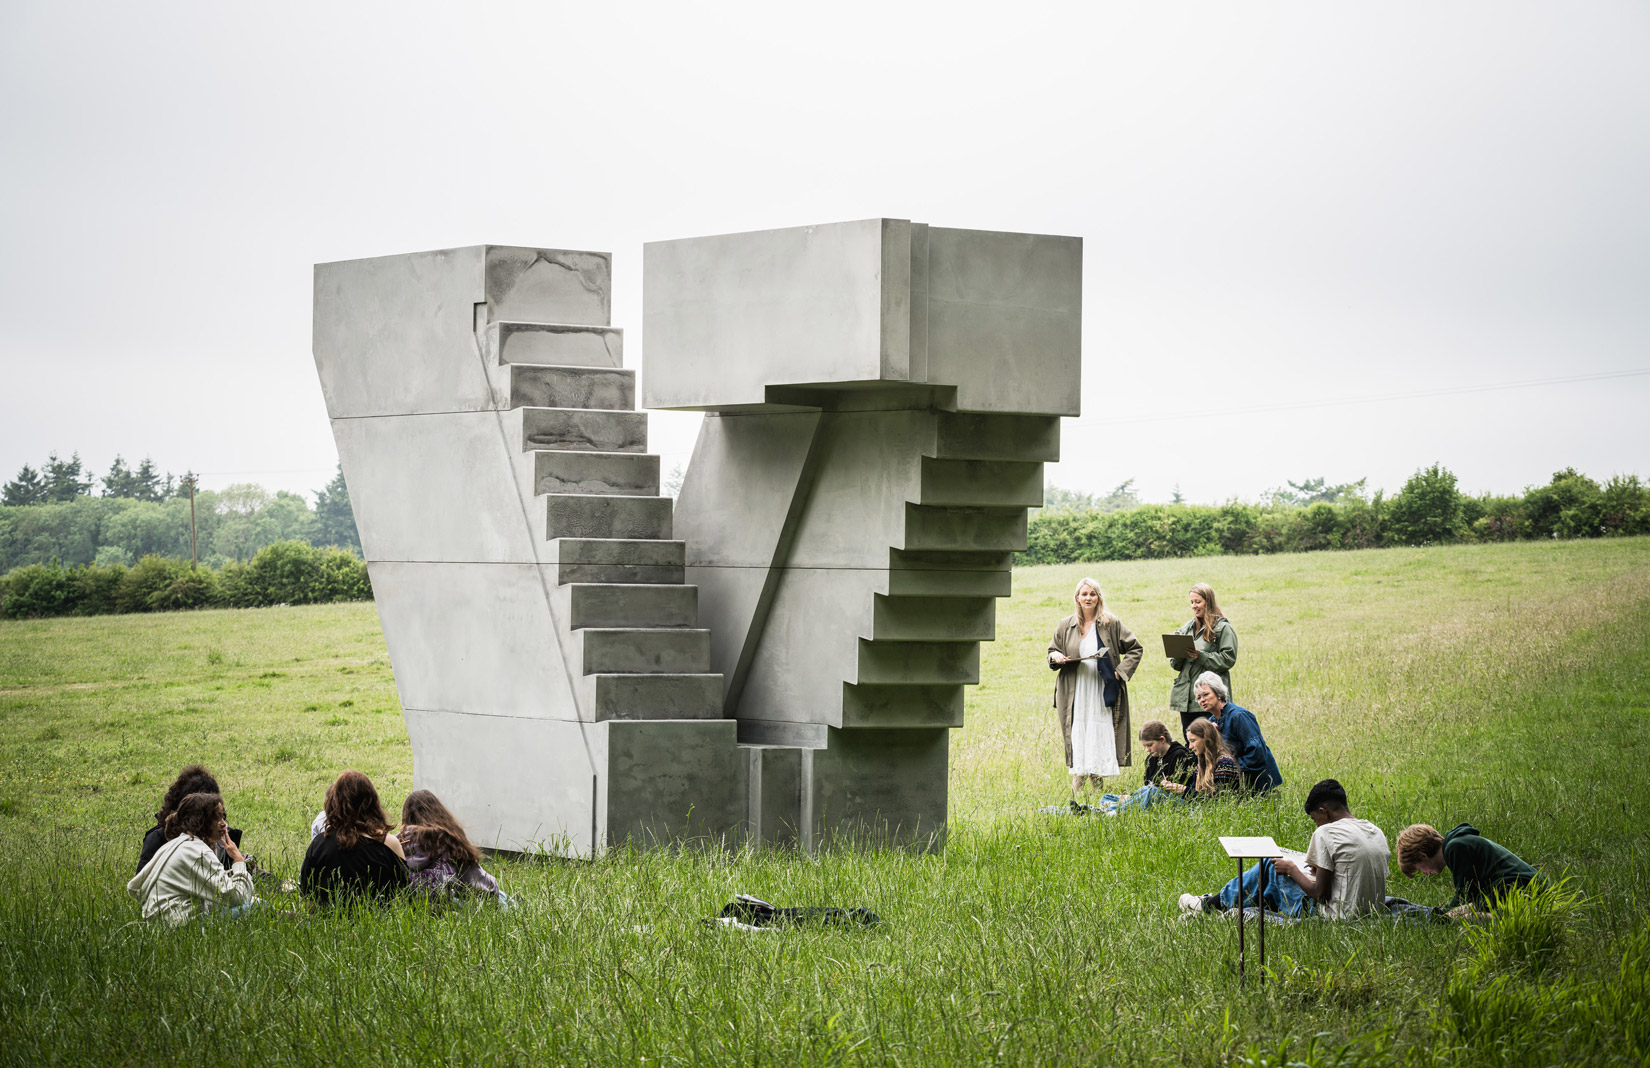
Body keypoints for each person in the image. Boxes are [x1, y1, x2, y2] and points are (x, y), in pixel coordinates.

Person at [1179, 779, 1389, 919]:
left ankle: (1211, 905)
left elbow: (1321, 894)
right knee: (1278, 872)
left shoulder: (1326, 833)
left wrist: (1292, 870)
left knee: (1270, 867)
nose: (1317, 825)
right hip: (1368, 910)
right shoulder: (1374, 830)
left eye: (1316, 820)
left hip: (1336, 914)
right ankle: (1231, 905)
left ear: (1323, 812)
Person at [1048, 577, 1144, 796]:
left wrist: (1120, 672)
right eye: (1084, 594)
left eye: (1092, 594)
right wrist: (1056, 656)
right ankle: (1077, 790)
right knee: (1078, 732)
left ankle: (1098, 792)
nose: (1088, 598)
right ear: (1077, 598)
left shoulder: (1110, 623)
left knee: (1097, 732)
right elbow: (1051, 651)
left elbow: (1135, 648)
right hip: (1075, 689)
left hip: (1101, 689)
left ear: (1098, 597)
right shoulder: (1066, 624)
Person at [127, 792, 258, 925]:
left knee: (254, 902)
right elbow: (237, 898)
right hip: (180, 926)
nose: (224, 824)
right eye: (217, 818)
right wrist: (239, 861)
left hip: (166, 923)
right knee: (260, 907)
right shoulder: (197, 851)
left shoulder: (180, 845)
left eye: (223, 817)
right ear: (202, 821)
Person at [300, 770, 410, 905]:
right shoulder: (388, 843)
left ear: (334, 802)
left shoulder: (319, 844)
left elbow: (309, 901)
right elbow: (405, 896)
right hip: (378, 923)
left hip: (329, 922)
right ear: (372, 802)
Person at [1396, 822, 1542, 915]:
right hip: (1520, 884)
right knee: (1469, 909)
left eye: (1420, 869)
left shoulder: (1456, 848)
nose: (1425, 873)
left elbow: (1465, 895)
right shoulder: (1455, 844)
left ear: (1423, 856)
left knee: (1464, 915)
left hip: (1523, 887)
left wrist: (1440, 913)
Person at [397, 790, 511, 907]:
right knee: (501, 898)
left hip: (410, 904)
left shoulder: (398, 842)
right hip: (444, 905)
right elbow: (478, 883)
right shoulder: (446, 838)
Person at [137, 764, 240, 873]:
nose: (222, 823)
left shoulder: (221, 837)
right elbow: (142, 883)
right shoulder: (158, 840)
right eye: (211, 814)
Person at [1194, 671, 1283, 794]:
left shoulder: (1239, 716)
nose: (1202, 700)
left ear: (1218, 693)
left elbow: (1257, 752)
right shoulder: (1211, 722)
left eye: (1205, 695)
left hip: (1259, 786)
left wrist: (1232, 770)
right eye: (1199, 698)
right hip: (1235, 787)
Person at [1168, 583, 1237, 739]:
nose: (1194, 606)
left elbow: (1228, 659)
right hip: (1187, 697)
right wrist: (1178, 652)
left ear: (1208, 601)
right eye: (1191, 602)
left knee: (1212, 741)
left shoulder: (1223, 628)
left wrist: (1201, 656)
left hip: (1210, 696)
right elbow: (1176, 664)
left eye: (1198, 602)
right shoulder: (1187, 628)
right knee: (1191, 742)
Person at [1158, 716, 1242, 802]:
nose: (1190, 747)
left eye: (1193, 741)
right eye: (1189, 742)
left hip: (1210, 812)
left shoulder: (1224, 763)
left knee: (1152, 793)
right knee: (1152, 792)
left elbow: (1219, 803)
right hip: (1197, 809)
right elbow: (1196, 795)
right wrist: (1174, 788)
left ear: (1206, 739)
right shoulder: (1202, 762)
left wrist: (1184, 790)